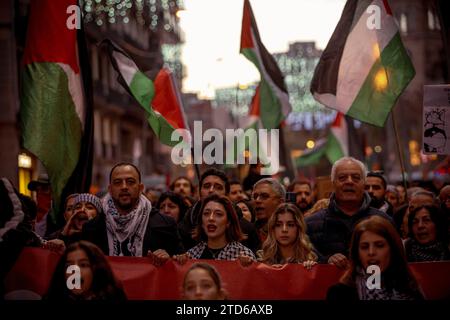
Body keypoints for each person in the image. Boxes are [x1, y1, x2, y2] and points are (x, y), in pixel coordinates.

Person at [81, 163, 182, 260]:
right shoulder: (91, 228)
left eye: (130, 182)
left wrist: (169, 259)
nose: (124, 187)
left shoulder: (165, 225)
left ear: (140, 188)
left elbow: (180, 264)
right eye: (117, 182)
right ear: (110, 189)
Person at [306, 157, 391, 268]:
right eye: (342, 178)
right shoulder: (310, 224)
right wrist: (326, 261)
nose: (349, 181)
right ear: (333, 183)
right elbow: (305, 260)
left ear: (364, 183)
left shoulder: (384, 221)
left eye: (355, 178)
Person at [327, 216, 423, 300]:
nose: (371, 252)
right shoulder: (340, 293)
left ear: (393, 249)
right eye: (364, 247)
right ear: (357, 253)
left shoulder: (410, 289)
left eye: (379, 245)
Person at [174, 194, 256, 263]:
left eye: (218, 214)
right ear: (201, 222)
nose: (211, 218)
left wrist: (246, 268)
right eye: (206, 213)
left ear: (228, 222)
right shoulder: (191, 255)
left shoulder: (243, 254)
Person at [239, 203, 317, 269]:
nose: (284, 230)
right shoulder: (260, 258)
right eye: (278, 225)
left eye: (290, 225)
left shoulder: (310, 257)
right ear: (273, 228)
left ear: (298, 228)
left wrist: (310, 270)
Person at [44, 241, 127, 300]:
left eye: (83, 265)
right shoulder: (53, 296)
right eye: (69, 265)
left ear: (97, 269)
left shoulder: (113, 295)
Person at [252, 178, 286, 246]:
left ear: (280, 202)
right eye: (255, 197)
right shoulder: (247, 233)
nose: (257, 200)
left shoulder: (291, 232)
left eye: (264, 196)